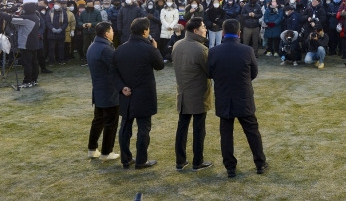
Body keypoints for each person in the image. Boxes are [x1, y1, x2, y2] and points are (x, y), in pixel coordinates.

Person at [208, 19, 267, 178]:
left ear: (223, 32)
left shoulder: (214, 52)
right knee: (252, 132)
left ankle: (230, 168)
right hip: (243, 97)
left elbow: (209, 73)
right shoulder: (247, 51)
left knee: (226, 134)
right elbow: (253, 73)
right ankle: (260, 163)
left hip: (224, 97)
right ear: (239, 33)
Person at [111, 17, 165, 169]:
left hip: (126, 94)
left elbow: (112, 72)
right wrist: (155, 48)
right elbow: (160, 65)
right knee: (143, 128)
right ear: (145, 31)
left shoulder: (120, 49)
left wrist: (122, 87)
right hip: (144, 94)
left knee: (125, 127)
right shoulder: (148, 48)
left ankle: (126, 159)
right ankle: (141, 160)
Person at [172, 17, 213, 171]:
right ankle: (198, 161)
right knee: (199, 129)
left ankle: (180, 161)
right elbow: (209, 71)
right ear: (195, 31)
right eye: (203, 27)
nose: (205, 29)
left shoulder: (177, 44)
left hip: (182, 93)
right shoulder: (201, 49)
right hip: (198, 94)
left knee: (182, 127)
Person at [87, 22, 120, 162]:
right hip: (109, 91)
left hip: (99, 90)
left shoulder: (93, 46)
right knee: (110, 122)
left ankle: (92, 149)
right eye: (111, 30)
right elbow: (116, 67)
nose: (113, 33)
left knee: (98, 121)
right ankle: (107, 152)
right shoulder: (105, 49)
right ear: (106, 33)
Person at [10, 2, 41, 88]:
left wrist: (2, 13)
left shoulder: (27, 18)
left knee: (27, 64)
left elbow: (11, 19)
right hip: (34, 43)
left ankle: (27, 81)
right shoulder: (36, 17)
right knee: (34, 63)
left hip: (26, 44)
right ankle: (33, 80)